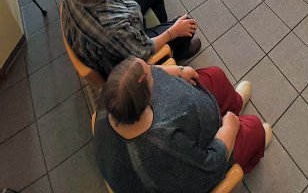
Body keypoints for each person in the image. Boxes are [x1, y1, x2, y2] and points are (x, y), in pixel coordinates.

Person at [94, 58, 271, 193]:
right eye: (151, 76)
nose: (155, 72)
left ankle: (235, 103)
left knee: (214, 76)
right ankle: (254, 138)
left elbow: (150, 70)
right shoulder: (161, 148)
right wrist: (229, 129)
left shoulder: (111, 99)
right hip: (201, 153)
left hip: (189, 117)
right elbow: (209, 168)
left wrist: (179, 71)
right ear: (147, 97)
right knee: (254, 128)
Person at [61, 0, 201, 76]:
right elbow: (143, 51)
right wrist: (173, 32)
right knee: (187, 23)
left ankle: (164, 26)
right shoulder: (111, 28)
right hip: (129, 50)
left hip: (123, 28)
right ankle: (179, 51)